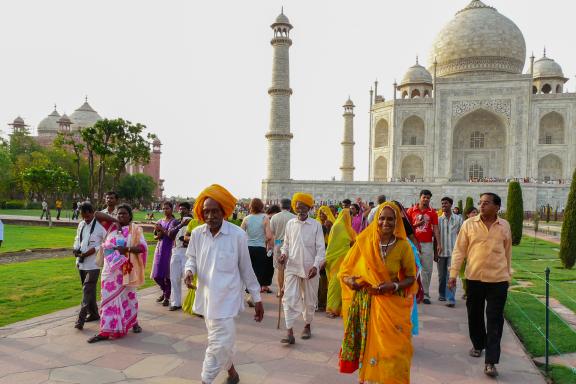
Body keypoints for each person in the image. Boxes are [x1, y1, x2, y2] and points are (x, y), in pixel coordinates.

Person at [184, 184, 264, 384]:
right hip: (206, 298)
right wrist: (189, 271)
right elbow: (191, 258)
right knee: (220, 342)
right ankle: (232, 374)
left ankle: (206, 380)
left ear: (224, 212)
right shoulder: (197, 233)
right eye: (206, 212)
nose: (210, 216)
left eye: (215, 211)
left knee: (217, 344)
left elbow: (246, 269)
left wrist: (257, 298)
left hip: (227, 300)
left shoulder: (237, 235)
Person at [338, 202, 417, 383]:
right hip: (367, 303)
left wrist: (394, 286)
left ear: (397, 222)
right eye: (382, 218)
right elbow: (345, 271)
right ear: (376, 220)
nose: (385, 223)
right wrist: (352, 282)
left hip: (391, 305)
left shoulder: (403, 246)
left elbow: (411, 277)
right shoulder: (364, 242)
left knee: (394, 351)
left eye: (390, 219)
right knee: (369, 349)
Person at [448, 193, 512, 378]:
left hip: (498, 279)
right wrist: (453, 274)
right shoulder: (469, 224)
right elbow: (459, 250)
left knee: (494, 320)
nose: (482, 206)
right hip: (474, 278)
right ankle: (478, 344)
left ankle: (491, 361)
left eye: (486, 203)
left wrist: (508, 274)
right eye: (480, 203)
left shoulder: (504, 226)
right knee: (474, 315)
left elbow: (507, 252)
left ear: (497, 207)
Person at [88, 204, 147, 343]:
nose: (121, 216)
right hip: (109, 271)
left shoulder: (135, 229)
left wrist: (126, 249)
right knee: (107, 299)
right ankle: (105, 331)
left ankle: (133, 322)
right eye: (119, 214)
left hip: (126, 271)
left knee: (129, 298)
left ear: (130, 216)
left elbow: (141, 248)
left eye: (124, 214)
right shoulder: (111, 227)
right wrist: (115, 221)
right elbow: (96, 214)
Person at [279, 192, 325, 344]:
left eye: (304, 207)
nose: (301, 210)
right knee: (289, 298)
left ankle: (307, 325)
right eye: (298, 207)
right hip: (292, 266)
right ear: (294, 207)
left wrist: (315, 266)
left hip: (310, 269)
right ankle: (289, 331)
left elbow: (320, 249)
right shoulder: (290, 224)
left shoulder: (316, 225)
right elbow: (286, 244)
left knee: (309, 300)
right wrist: (283, 254)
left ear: (309, 208)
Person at [72, 202, 107, 329]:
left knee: (86, 290)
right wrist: (75, 249)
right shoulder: (81, 224)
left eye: (87, 216)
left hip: (94, 264)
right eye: (82, 216)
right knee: (89, 290)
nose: (85, 219)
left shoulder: (100, 227)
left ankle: (80, 319)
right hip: (81, 263)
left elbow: (106, 243)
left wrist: (94, 249)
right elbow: (77, 239)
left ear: (92, 213)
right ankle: (94, 314)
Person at [407, 189, 441, 304]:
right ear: (420, 197)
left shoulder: (432, 212)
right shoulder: (411, 211)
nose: (426, 199)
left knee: (427, 269)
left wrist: (438, 243)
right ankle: (414, 292)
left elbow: (436, 228)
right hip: (412, 243)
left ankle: (425, 294)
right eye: (424, 197)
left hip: (427, 244)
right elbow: (407, 228)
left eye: (428, 198)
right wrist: (417, 224)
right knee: (412, 269)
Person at [324, 208, 356, 318]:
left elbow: (354, 240)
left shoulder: (348, 228)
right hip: (335, 259)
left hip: (345, 261)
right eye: (349, 215)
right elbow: (333, 244)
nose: (350, 218)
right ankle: (330, 309)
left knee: (342, 284)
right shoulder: (337, 227)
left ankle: (339, 308)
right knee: (334, 283)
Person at [241, 198, 274, 293]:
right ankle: (254, 294)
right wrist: (269, 244)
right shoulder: (265, 217)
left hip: (248, 248)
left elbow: (241, 234)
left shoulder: (246, 218)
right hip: (260, 248)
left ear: (251, 207)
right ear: (261, 206)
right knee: (259, 272)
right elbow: (269, 236)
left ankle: (248, 290)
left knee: (249, 270)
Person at [152, 201, 179, 306]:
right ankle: (164, 291)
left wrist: (161, 229)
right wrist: (158, 235)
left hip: (169, 250)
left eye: (167, 208)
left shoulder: (174, 222)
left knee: (167, 275)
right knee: (157, 275)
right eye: (164, 208)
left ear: (172, 209)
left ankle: (167, 297)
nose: (165, 210)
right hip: (159, 250)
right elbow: (155, 236)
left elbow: (171, 236)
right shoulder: (159, 221)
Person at [438, 197, 463, 307]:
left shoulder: (458, 219)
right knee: (441, 276)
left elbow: (462, 236)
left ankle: (450, 298)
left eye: (446, 203)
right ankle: (442, 294)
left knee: (451, 275)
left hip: (453, 252)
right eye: (442, 203)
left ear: (451, 205)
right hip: (441, 252)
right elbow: (436, 236)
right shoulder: (438, 220)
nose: (444, 205)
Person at [167, 202, 192, 311]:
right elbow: (170, 234)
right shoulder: (175, 221)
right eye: (180, 209)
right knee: (174, 277)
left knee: (190, 278)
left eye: (184, 209)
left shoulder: (194, 222)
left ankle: (192, 303)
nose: (181, 211)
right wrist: (181, 224)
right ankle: (175, 302)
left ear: (189, 210)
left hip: (188, 252)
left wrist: (187, 240)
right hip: (176, 251)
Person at [270, 198, 296, 297]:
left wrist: (270, 246)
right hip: (291, 245)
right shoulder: (294, 217)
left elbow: (272, 233)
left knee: (280, 269)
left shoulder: (275, 217)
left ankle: (280, 291)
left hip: (278, 244)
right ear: (290, 206)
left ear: (280, 206)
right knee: (289, 269)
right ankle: (287, 289)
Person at [460, 206, 479, 299]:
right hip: (465, 253)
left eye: (476, 212)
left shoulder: (480, 224)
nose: (475, 214)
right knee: (464, 274)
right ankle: (466, 291)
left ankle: (471, 292)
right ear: (467, 214)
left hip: (476, 254)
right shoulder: (464, 224)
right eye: (473, 212)